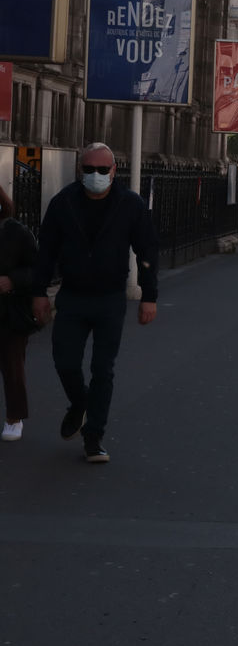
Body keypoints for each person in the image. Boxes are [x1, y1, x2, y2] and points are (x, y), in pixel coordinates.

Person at [31, 143, 159, 462]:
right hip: (73, 297)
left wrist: (149, 297)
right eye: (89, 169)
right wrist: (38, 292)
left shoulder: (130, 204)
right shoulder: (64, 202)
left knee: (103, 369)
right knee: (65, 362)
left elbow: (147, 252)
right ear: (80, 170)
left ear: (114, 171)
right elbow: (46, 250)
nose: (96, 175)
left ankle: (94, 436)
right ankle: (80, 403)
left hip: (110, 299)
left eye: (103, 170)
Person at [0, 184, 39, 441]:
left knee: (12, 366)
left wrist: (12, 280)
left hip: (8, 312)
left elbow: (38, 269)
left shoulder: (16, 232)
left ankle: (14, 417)